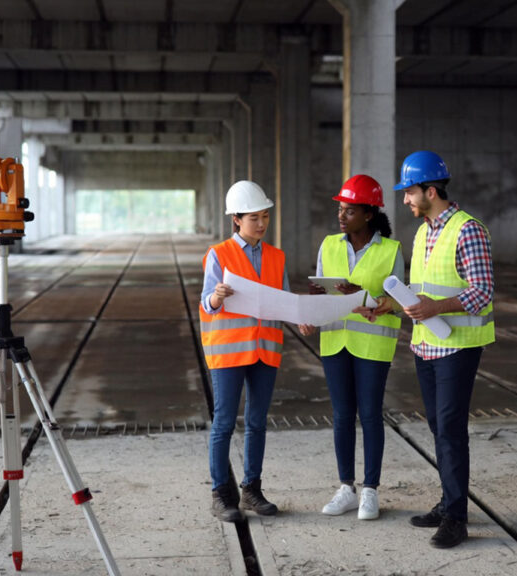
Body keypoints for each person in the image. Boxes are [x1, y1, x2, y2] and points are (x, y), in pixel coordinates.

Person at [395, 151, 495, 549]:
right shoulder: (423, 232)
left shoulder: (468, 230)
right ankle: (448, 500)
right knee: (439, 429)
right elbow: (427, 287)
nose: (405, 199)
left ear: (430, 191)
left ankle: (456, 518)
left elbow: (482, 291)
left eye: (409, 192)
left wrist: (434, 306)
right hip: (426, 344)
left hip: (458, 346)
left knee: (450, 430)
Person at [298, 175, 403, 521]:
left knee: (370, 414)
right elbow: (321, 288)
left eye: (350, 210)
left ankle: (370, 490)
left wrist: (361, 293)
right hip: (335, 340)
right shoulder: (328, 245)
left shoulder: (391, 250)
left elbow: (400, 301)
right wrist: (314, 305)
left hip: (373, 343)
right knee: (342, 415)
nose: (341, 216)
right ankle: (346, 488)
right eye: (340, 209)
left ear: (369, 214)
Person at [200, 180, 290, 523]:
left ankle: (252, 489)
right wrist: (217, 297)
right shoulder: (218, 254)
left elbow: (284, 304)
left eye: (265, 216)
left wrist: (303, 318)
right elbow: (206, 304)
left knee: (257, 422)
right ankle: (221, 494)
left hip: (265, 351)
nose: (262, 224)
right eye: (255, 218)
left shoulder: (277, 256)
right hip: (229, 353)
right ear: (236, 220)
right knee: (223, 423)